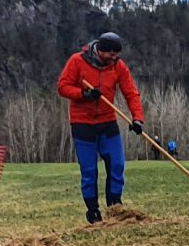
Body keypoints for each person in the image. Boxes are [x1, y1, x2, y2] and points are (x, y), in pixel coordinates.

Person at [56, 31, 145, 223]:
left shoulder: (118, 66)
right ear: (100, 51)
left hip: (107, 122)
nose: (114, 59)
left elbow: (131, 93)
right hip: (82, 124)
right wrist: (84, 94)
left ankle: (115, 207)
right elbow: (62, 87)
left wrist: (137, 119)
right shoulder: (77, 61)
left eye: (117, 55)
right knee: (89, 171)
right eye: (111, 55)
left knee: (117, 164)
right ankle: (93, 211)